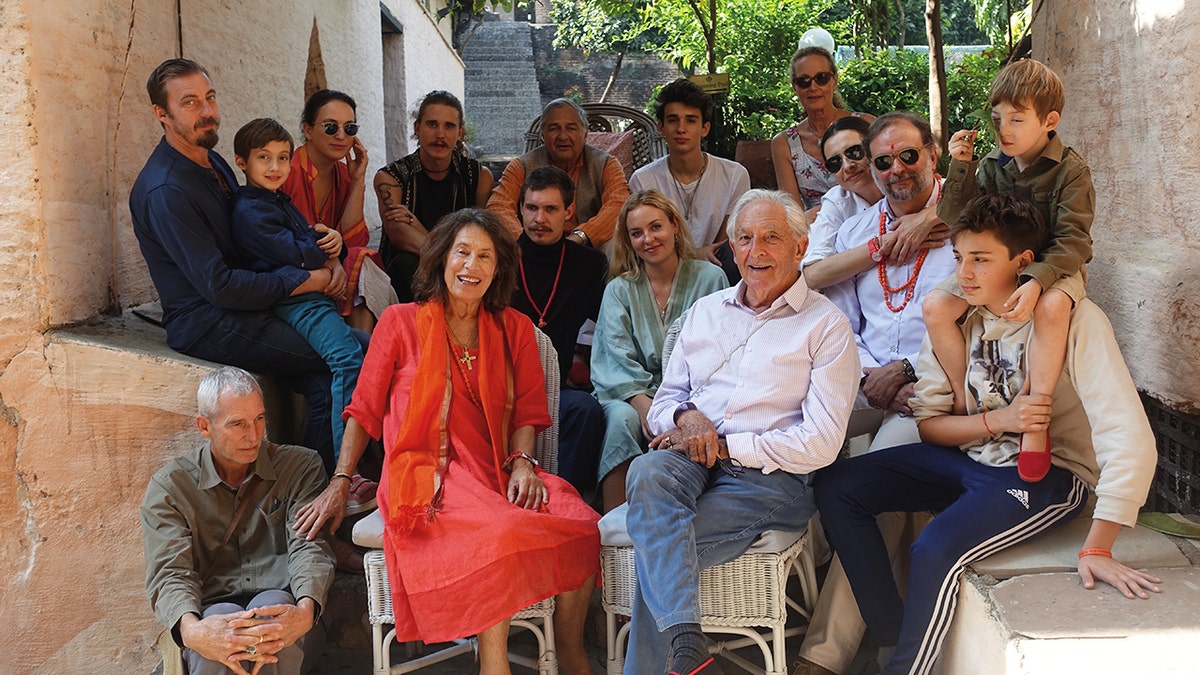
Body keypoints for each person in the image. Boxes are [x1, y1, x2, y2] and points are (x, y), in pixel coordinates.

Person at [815, 193, 1160, 675]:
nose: (965, 273)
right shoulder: (960, 319)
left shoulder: (1076, 321)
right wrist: (998, 421)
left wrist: (1099, 544)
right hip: (972, 457)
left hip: (1047, 475)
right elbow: (931, 426)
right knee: (838, 484)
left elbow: (1129, 436)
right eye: (959, 258)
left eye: (981, 259)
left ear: (1022, 262)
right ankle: (893, 636)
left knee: (935, 547)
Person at [299, 208, 600, 674]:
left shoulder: (516, 328)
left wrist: (522, 463)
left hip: (500, 469)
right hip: (426, 477)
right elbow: (363, 408)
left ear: (498, 268)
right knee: (498, 533)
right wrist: (341, 479)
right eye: (462, 252)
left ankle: (569, 648)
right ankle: (493, 666)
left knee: (580, 521)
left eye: (485, 256)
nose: (471, 266)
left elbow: (529, 411)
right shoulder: (399, 322)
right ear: (441, 258)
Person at [621, 189, 860, 675]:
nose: (757, 251)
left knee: (662, 549)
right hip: (689, 457)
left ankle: (679, 646)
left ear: (800, 246)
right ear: (732, 249)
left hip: (771, 477)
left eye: (772, 237)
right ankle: (688, 642)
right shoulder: (705, 313)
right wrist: (687, 419)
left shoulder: (827, 327)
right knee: (648, 469)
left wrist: (727, 445)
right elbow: (663, 404)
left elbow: (821, 442)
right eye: (745, 239)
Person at [130, 58, 362, 465]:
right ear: (161, 115)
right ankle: (338, 482)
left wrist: (330, 256)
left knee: (329, 375)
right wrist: (308, 280)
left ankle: (316, 487)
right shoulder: (166, 189)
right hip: (211, 321)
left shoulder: (211, 159)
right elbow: (220, 285)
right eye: (189, 102)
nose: (206, 111)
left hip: (254, 302)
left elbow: (260, 234)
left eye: (210, 98)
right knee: (362, 352)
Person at [926, 58, 1095, 483]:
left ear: (1049, 120)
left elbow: (1075, 241)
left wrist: (1038, 280)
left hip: (1053, 262)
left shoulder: (1071, 171)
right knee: (935, 306)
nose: (1005, 130)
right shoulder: (990, 164)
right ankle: (968, 400)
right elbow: (957, 218)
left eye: (1017, 119)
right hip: (997, 265)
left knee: (1053, 308)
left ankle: (1034, 418)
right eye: (998, 118)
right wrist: (960, 166)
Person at [141, 367, 334, 675]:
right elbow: (170, 572)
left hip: (287, 607)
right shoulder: (170, 488)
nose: (254, 435)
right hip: (211, 609)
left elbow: (308, 547)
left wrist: (305, 611)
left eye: (259, 419)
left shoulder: (300, 467)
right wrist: (195, 632)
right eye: (238, 424)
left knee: (271, 620)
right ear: (204, 426)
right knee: (220, 627)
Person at [229, 118, 364, 470]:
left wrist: (329, 244)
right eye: (264, 158)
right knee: (347, 361)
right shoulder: (250, 211)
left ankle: (369, 455)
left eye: (283, 158)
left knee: (373, 347)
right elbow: (300, 252)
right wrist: (327, 244)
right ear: (241, 162)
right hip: (297, 301)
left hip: (310, 297)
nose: (275, 167)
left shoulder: (277, 200)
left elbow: (308, 239)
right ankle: (344, 471)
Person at [825, 112, 957, 450]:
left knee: (871, 477)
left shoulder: (967, 223)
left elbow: (978, 322)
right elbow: (842, 324)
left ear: (933, 153)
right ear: (871, 168)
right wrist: (874, 376)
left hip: (939, 383)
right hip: (866, 383)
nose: (896, 169)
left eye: (908, 156)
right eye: (883, 161)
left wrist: (907, 372)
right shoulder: (854, 234)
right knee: (785, 426)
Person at [590, 190, 728, 513]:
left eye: (656, 227)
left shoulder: (711, 279)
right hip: (631, 396)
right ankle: (614, 525)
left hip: (693, 393)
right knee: (621, 420)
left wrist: (679, 410)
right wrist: (646, 407)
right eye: (636, 233)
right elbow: (614, 357)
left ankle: (693, 514)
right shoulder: (619, 290)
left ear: (674, 227)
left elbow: (722, 349)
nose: (648, 239)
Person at [509, 166, 608, 496]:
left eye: (550, 209)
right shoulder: (499, 259)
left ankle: (565, 499)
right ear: (520, 209)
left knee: (586, 410)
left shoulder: (589, 264)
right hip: (503, 390)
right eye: (532, 208)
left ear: (569, 212)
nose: (540, 218)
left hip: (555, 391)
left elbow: (608, 325)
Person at [281, 89, 396, 330]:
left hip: (332, 273)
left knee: (362, 259)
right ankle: (366, 352)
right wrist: (330, 263)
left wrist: (357, 180)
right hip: (291, 270)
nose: (341, 136)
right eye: (331, 127)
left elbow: (353, 240)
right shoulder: (286, 173)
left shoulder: (344, 175)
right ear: (308, 130)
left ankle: (365, 352)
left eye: (350, 128)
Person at [374, 90, 494, 302]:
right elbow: (398, 233)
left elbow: (480, 234)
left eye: (449, 126)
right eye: (432, 124)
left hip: (463, 271)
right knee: (407, 263)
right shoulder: (391, 177)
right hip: (409, 274)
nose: (440, 134)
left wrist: (417, 227)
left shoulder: (478, 177)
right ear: (417, 128)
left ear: (460, 133)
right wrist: (453, 255)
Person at [802, 116, 947, 292]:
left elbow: (976, 202)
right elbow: (812, 275)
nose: (847, 166)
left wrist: (929, 216)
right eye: (835, 163)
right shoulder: (839, 203)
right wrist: (882, 245)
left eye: (854, 152)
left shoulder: (931, 188)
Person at [629, 78, 750, 280]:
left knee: (735, 251)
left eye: (691, 120)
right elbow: (648, 240)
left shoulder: (734, 175)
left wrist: (703, 257)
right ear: (661, 127)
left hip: (718, 269)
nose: (681, 128)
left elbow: (724, 245)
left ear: (705, 128)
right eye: (673, 120)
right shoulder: (643, 180)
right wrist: (695, 254)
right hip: (663, 268)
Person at [487, 98, 630, 248]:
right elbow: (497, 207)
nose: (563, 136)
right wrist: (525, 241)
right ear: (543, 134)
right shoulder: (521, 166)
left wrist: (580, 236)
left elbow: (619, 205)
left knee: (614, 243)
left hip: (587, 247)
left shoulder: (605, 164)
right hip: (534, 246)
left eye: (571, 128)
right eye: (554, 128)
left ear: (585, 134)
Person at [771, 46, 874, 218]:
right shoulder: (784, 143)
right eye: (804, 81)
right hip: (816, 229)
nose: (813, 87)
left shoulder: (865, 125)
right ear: (794, 87)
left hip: (873, 219)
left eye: (821, 78)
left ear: (835, 80)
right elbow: (793, 214)